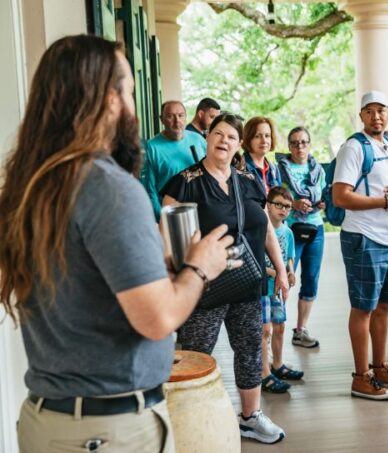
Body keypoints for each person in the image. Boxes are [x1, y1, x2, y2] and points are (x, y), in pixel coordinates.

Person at [0, 35, 234, 452]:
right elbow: (159, 318)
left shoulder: (32, 183)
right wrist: (200, 265)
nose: (133, 107)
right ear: (107, 99)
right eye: (127, 89)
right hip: (108, 431)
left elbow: (83, 285)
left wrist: (155, 264)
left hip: (47, 420)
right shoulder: (108, 186)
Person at [161, 113, 289, 444]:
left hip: (247, 281)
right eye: (218, 133)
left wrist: (282, 270)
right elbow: (166, 239)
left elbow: (266, 230)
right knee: (196, 352)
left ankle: (250, 417)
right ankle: (187, 421)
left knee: (249, 349)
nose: (224, 141)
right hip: (202, 286)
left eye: (231, 137)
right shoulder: (185, 182)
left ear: (238, 145)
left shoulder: (247, 181)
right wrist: (174, 283)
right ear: (207, 137)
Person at [332, 90, 388, 400]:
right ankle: (361, 377)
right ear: (362, 116)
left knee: (383, 306)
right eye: (370, 111)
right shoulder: (354, 148)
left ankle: (380, 367)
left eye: (382, 110)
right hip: (364, 237)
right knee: (363, 308)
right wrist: (384, 201)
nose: (376, 115)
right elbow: (341, 196)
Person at [275, 126, 327, 349]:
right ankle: (278, 325)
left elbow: (322, 194)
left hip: (315, 227)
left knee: (311, 279)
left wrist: (319, 204)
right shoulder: (281, 169)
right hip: (291, 229)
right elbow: (275, 197)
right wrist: (293, 204)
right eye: (295, 143)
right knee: (285, 277)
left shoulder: (317, 170)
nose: (300, 147)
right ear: (289, 146)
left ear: (309, 144)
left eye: (304, 142)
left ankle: (301, 330)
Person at [261, 186, 304, 393]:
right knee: (265, 330)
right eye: (278, 204)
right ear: (268, 205)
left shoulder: (287, 231)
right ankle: (263, 372)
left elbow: (289, 256)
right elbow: (258, 262)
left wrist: (290, 271)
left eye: (287, 206)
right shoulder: (261, 229)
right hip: (262, 288)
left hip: (278, 288)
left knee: (280, 327)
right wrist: (276, 274)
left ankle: (277, 364)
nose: (283, 209)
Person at [141, 101, 207, 219]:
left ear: (186, 117)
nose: (177, 121)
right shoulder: (151, 147)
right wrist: (163, 218)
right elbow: (149, 191)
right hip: (173, 215)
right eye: (170, 116)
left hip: (202, 211)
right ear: (162, 119)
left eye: (181, 115)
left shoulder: (198, 139)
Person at [243, 116, 282, 193]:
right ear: (248, 139)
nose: (264, 141)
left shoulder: (274, 169)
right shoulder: (240, 168)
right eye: (257, 136)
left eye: (267, 136)